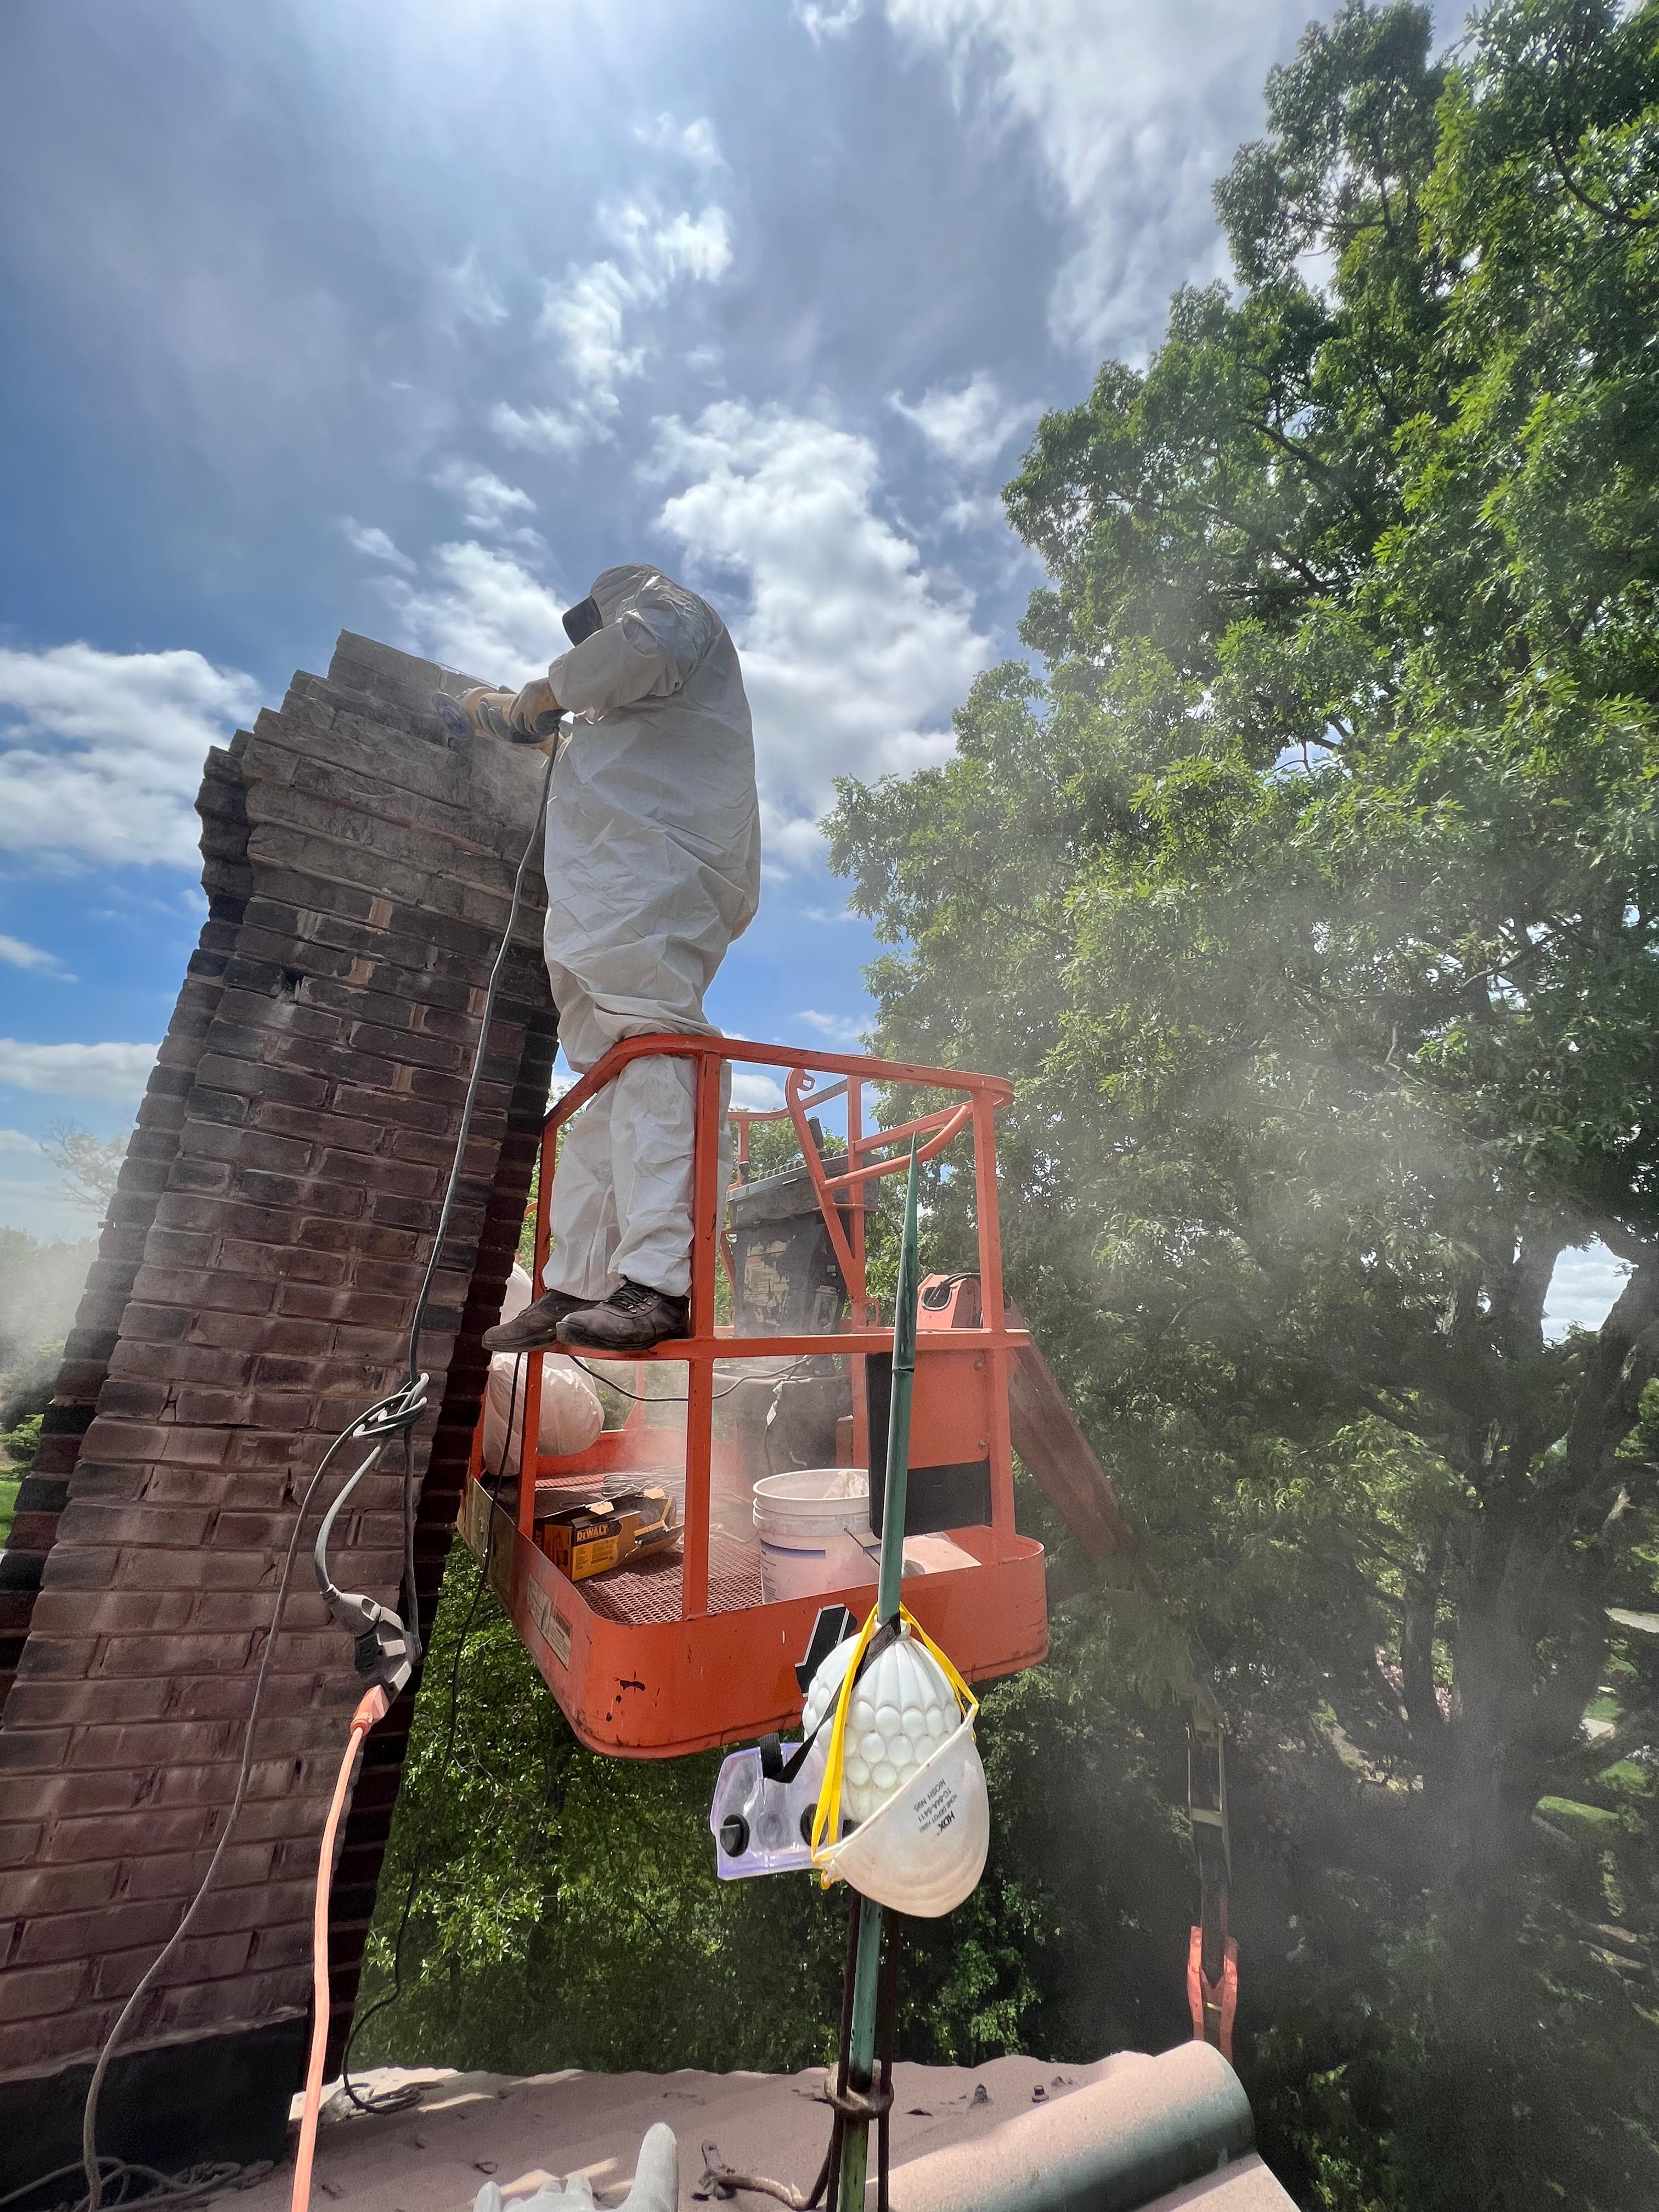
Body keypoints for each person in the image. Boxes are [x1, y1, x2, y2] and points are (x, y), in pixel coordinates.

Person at [477, 565, 760, 1353]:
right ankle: (584, 1280)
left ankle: (660, 1283)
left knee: (656, 1047)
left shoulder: (666, 607)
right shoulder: (627, 717)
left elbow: (639, 645)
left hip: (657, 868)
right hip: (618, 882)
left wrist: (535, 697)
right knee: (610, 1078)